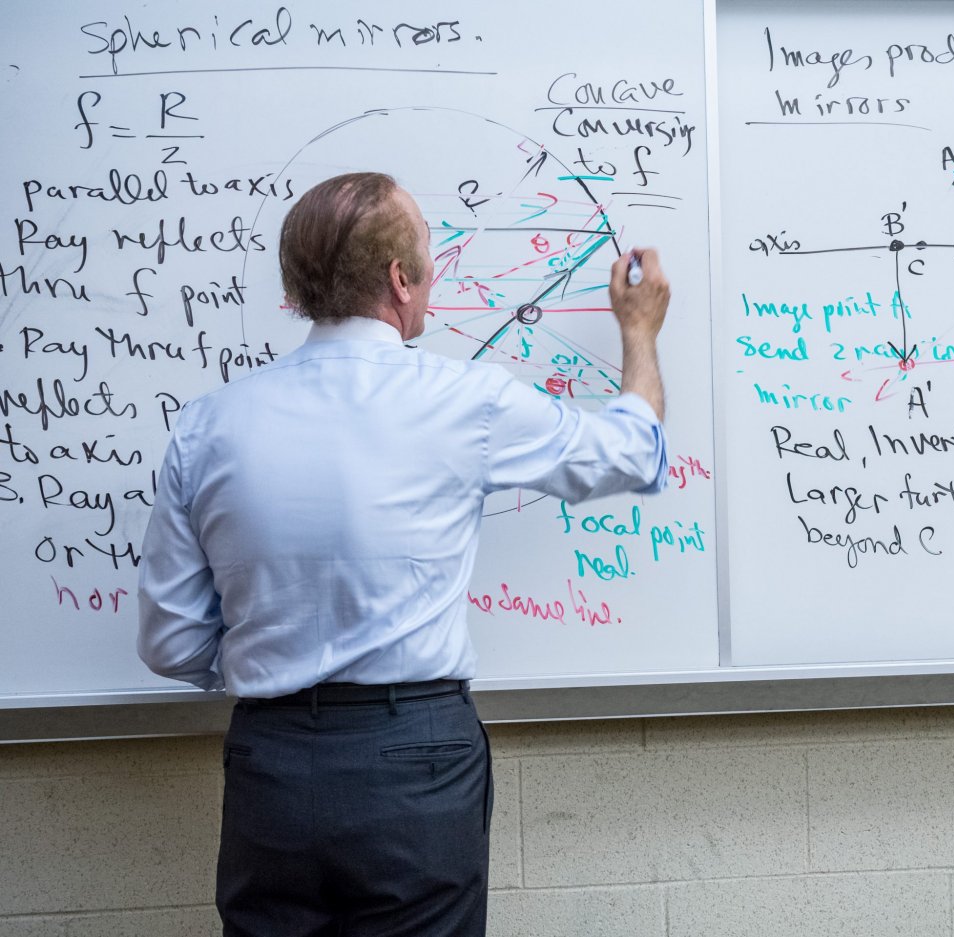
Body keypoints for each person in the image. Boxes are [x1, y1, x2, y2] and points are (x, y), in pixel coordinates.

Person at [137, 171, 670, 937]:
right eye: (428, 251)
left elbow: (170, 643)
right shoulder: (467, 400)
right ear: (399, 279)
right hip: (415, 761)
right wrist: (640, 333)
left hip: (271, 764)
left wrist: (274, 668)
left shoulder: (206, 425)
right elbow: (634, 452)